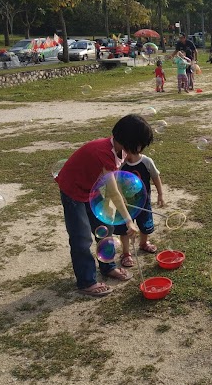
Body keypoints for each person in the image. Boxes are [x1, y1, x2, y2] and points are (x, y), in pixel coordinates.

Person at [56, 114, 152, 297]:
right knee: (81, 237)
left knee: (105, 227)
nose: (140, 149)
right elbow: (114, 192)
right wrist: (128, 220)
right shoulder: (104, 153)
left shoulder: (121, 151)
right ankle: (86, 281)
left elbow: (114, 185)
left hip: (92, 189)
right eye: (139, 143)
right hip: (73, 191)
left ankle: (108, 267)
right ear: (128, 139)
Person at [117, 150, 165, 267]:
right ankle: (126, 253)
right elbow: (116, 180)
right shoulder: (121, 163)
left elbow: (155, 177)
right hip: (126, 204)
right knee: (125, 229)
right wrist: (119, 196)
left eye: (123, 152)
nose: (121, 155)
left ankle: (143, 243)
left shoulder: (146, 161)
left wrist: (160, 194)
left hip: (143, 202)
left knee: (145, 224)